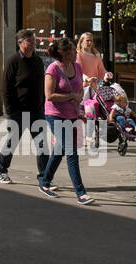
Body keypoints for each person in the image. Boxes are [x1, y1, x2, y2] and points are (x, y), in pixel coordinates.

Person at [39, 37, 96, 204]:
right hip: (55, 115)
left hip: (71, 114)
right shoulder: (53, 69)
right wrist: (71, 96)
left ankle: (45, 181)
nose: (74, 52)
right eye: (71, 50)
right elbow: (49, 95)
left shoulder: (77, 67)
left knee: (60, 149)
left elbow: (77, 88)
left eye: (74, 49)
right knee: (71, 152)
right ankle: (81, 193)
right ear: (62, 53)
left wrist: (79, 103)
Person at [0, 29, 49, 185]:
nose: (33, 43)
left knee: (41, 144)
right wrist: (10, 110)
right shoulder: (13, 61)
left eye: (33, 40)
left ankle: (44, 176)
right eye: (29, 41)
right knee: (12, 141)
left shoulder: (38, 61)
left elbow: (41, 84)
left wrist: (43, 104)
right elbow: (6, 88)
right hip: (18, 110)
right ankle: (1, 169)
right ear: (20, 43)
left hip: (36, 110)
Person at [78, 32, 112, 147]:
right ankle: (85, 136)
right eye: (86, 40)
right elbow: (79, 71)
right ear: (81, 42)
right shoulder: (79, 54)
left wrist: (106, 75)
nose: (89, 43)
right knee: (87, 111)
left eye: (90, 40)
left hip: (95, 87)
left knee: (97, 110)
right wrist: (87, 79)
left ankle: (92, 135)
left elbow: (101, 70)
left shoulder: (96, 53)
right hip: (84, 87)